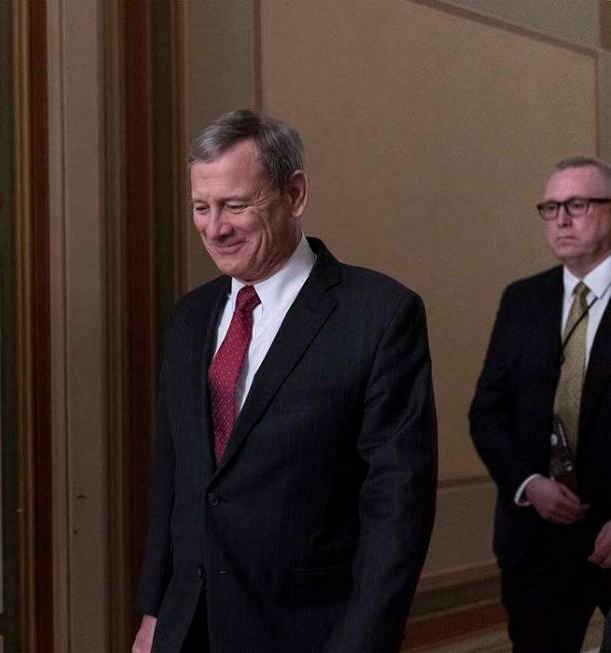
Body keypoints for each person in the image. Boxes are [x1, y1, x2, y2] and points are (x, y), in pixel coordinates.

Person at [132, 109, 437, 653]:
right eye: (201, 207)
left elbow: (398, 505)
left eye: (235, 205)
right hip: (188, 627)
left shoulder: (380, 315)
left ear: (294, 195)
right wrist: (156, 611)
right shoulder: (190, 317)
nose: (214, 226)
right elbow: (174, 476)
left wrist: (361, 642)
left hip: (310, 631)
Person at [470, 156, 611, 652]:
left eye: (577, 204)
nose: (561, 219)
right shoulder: (523, 299)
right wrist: (530, 483)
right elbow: (486, 412)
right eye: (550, 207)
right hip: (537, 536)